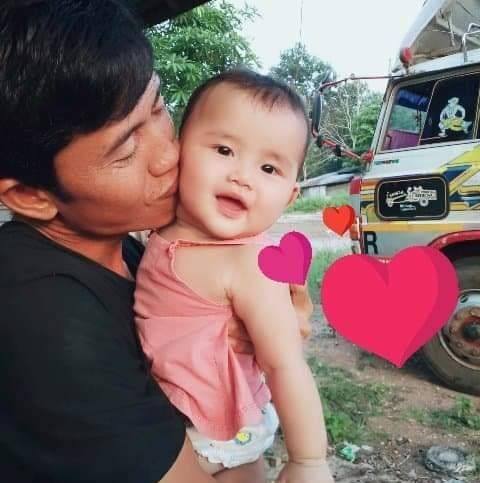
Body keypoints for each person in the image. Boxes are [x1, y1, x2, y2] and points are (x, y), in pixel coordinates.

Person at [0, 2, 314, 482]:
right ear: (30, 195)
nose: (169, 153)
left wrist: (262, 329)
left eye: (159, 108)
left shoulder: (126, 245)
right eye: (126, 149)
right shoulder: (42, 313)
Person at [134, 70, 334, 483]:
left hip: (212, 430)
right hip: (176, 412)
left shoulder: (250, 263)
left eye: (269, 168)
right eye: (224, 150)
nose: (242, 176)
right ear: (179, 150)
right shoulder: (159, 225)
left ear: (290, 195)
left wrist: (308, 460)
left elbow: (284, 364)